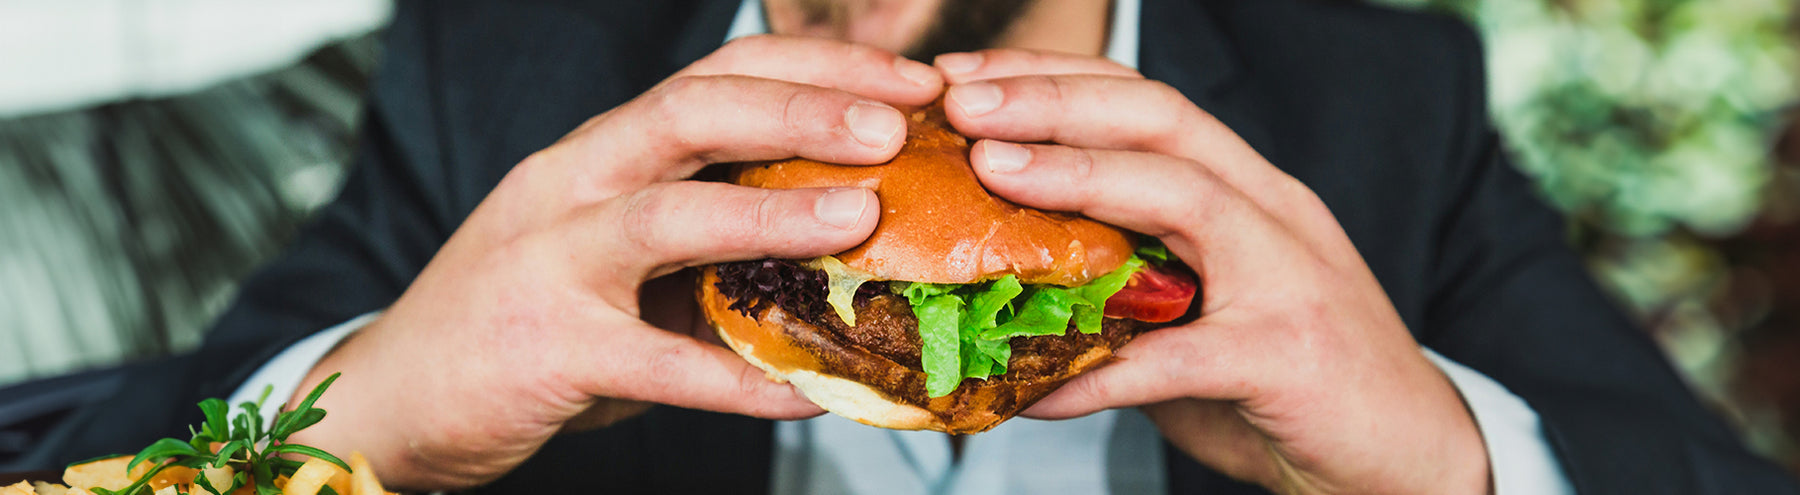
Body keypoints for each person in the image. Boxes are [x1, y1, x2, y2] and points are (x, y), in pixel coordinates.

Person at [21, 0, 1798, 493]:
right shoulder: (506, 64)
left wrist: (1452, 463)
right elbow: (100, 456)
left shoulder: (1378, 96)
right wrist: (363, 418)